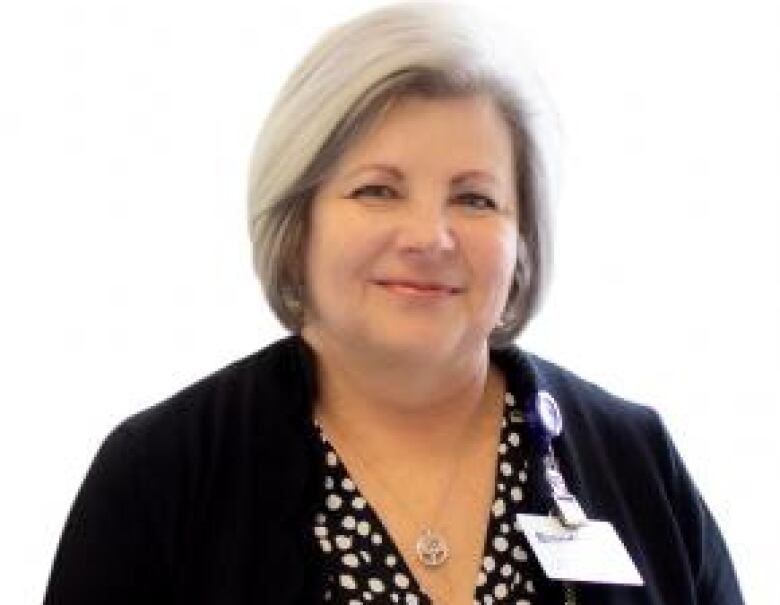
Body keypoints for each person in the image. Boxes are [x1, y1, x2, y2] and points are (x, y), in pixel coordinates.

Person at [44, 3, 743, 604]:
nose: (429, 237)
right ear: (300, 217)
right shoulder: (160, 475)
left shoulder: (635, 455)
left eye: (474, 198)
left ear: (521, 238)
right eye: (378, 189)